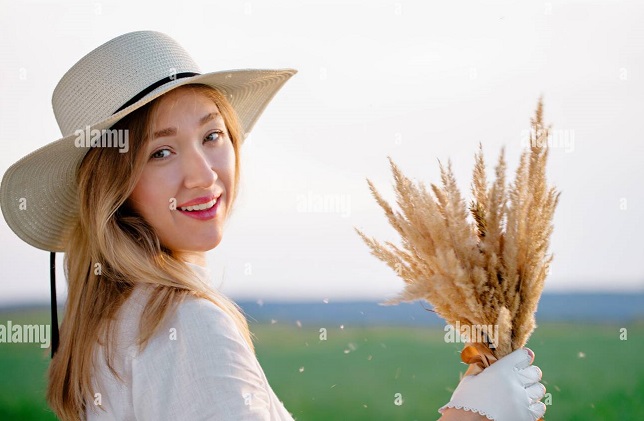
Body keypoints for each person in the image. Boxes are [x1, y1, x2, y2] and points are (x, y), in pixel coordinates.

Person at [0, 30, 546, 421]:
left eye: (212, 136)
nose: (202, 174)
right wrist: (472, 417)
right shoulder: (185, 324)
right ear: (113, 188)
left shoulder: (109, 325)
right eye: (160, 152)